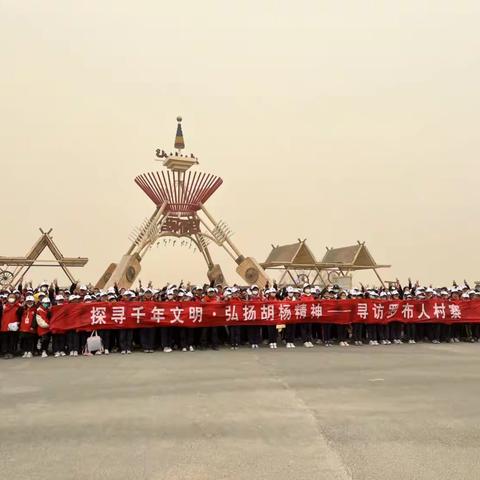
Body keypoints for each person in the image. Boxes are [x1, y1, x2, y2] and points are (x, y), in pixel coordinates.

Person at [1, 292, 21, 359]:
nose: (11, 298)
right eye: (10, 297)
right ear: (7, 298)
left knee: (13, 340)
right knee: (5, 341)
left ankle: (11, 352)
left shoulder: (18, 306)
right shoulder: (3, 306)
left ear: (15, 299)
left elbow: (21, 316)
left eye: (13, 297)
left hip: (13, 327)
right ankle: (5, 353)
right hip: (4, 326)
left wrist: (18, 323)